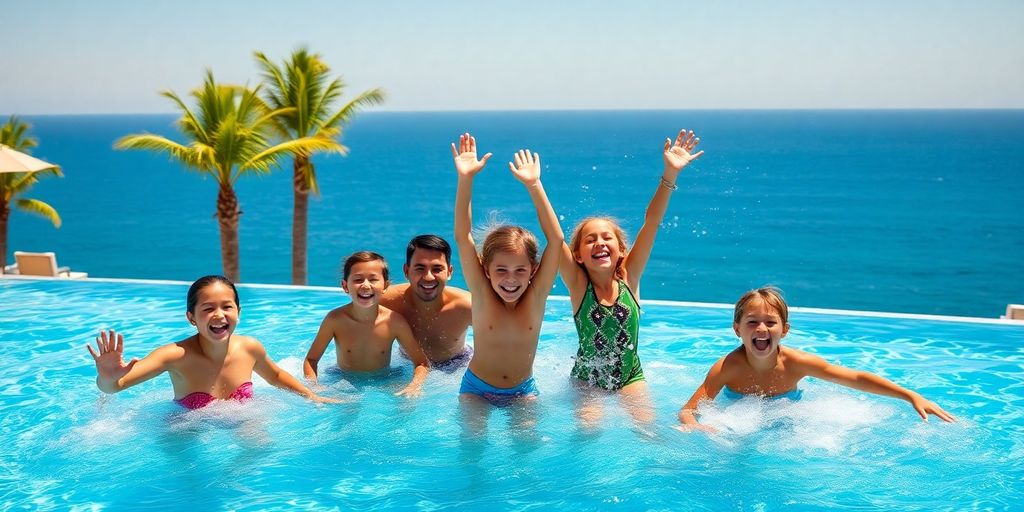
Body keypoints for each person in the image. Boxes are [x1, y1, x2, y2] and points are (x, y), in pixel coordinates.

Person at [559, 129, 703, 428]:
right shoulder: (578, 286)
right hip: (589, 382)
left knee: (648, 431)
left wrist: (670, 175)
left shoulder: (630, 277)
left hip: (630, 377)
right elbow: (553, 235)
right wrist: (534, 186)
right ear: (578, 255)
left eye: (606, 237)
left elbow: (652, 222)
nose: (599, 243)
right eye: (590, 240)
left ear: (621, 249)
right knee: (588, 430)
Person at [678, 287, 956, 432]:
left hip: (789, 414)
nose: (761, 329)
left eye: (770, 322)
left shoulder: (796, 363)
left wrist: (909, 396)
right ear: (737, 329)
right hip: (738, 414)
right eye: (752, 322)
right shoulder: (728, 367)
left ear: (784, 330)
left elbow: (854, 378)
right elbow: (688, 410)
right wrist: (698, 428)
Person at [86, 275, 336, 410]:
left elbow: (277, 377)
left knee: (260, 448)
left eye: (227, 307)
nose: (219, 315)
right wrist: (108, 376)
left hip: (241, 419)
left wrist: (311, 396)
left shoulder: (249, 347)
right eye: (208, 309)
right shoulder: (174, 355)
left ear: (238, 311)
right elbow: (114, 387)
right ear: (191, 318)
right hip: (185, 428)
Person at [452, 133, 563, 414]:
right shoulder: (481, 292)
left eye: (519, 270)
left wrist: (534, 185)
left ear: (533, 271)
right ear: (486, 271)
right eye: (501, 270)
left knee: (526, 450)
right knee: (471, 448)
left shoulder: (536, 296)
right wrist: (465, 179)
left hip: (522, 389)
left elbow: (557, 240)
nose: (510, 279)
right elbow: (463, 237)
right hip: (476, 389)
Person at [303, 251, 431, 398]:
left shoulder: (394, 322)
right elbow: (311, 360)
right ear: (345, 286)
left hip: (384, 379)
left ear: (385, 285)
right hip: (344, 379)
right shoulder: (335, 320)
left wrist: (414, 386)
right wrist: (314, 388)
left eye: (373, 279)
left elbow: (421, 362)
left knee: (404, 407)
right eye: (358, 280)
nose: (365, 285)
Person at [380, 235, 473, 371]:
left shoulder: (466, 305)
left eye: (437, 269)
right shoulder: (386, 301)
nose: (428, 277)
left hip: (457, 366)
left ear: (449, 272)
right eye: (420, 268)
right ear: (407, 271)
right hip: (407, 362)